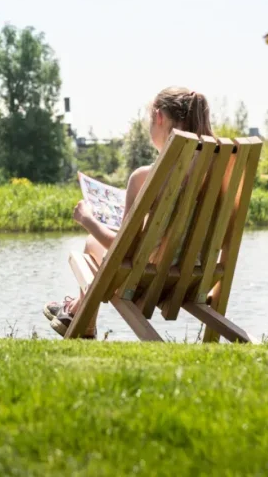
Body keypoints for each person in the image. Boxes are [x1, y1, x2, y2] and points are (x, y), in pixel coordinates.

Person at [44, 87, 215, 338]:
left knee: (92, 244)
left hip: (153, 279)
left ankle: (83, 321)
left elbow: (123, 250)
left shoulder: (145, 178)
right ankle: (78, 312)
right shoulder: (218, 171)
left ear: (158, 116)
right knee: (108, 245)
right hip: (198, 277)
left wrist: (88, 220)